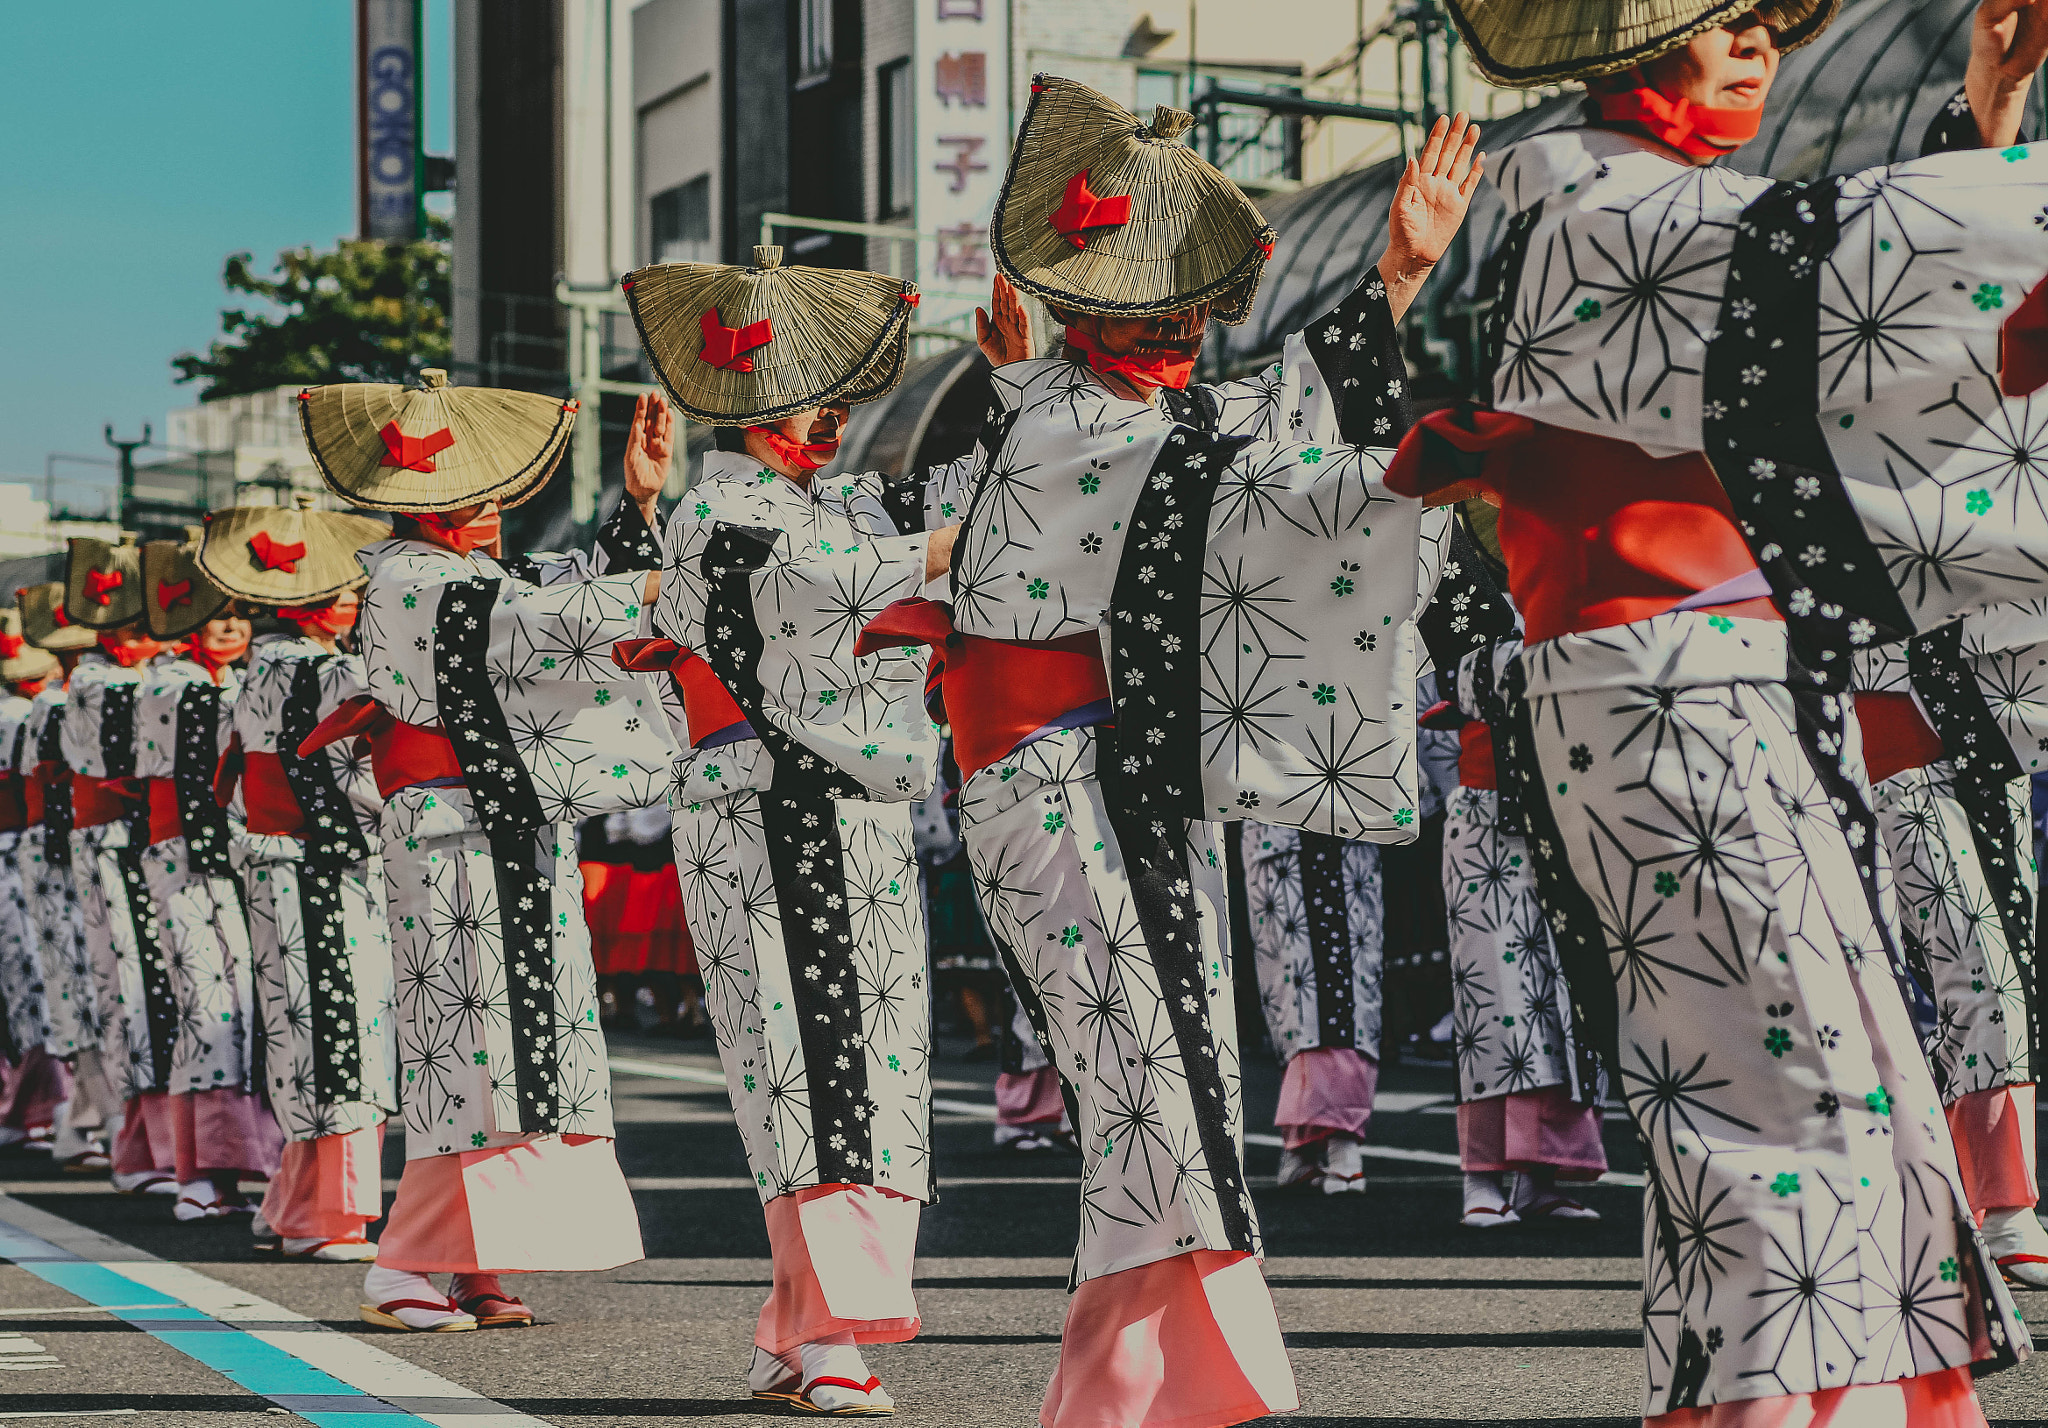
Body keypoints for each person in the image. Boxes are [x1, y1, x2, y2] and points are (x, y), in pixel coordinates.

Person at [1392, 0, 2048, 1418]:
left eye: (1767, 22)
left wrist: (1978, 118)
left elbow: (1827, 295)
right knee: (1789, 1115)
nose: (1757, 45)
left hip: (1721, 687)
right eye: (1724, 22)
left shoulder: (1663, 202)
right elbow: (1829, 283)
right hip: (1659, 691)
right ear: (1635, 46)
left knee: (1849, 1102)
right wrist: (1993, 182)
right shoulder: (1578, 192)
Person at [875, 75, 1483, 1428]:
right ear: (1100, 319)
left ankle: (1146, 1386)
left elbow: (1238, 453)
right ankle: (1146, 1392)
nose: (1192, 335)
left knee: (1167, 1077)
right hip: (1061, 775)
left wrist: (1389, 284)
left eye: (1195, 312)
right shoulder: (1093, 426)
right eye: (1169, 315)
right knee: (1158, 1082)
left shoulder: (1075, 413)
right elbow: (1274, 479)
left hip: (1101, 775)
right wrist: (1392, 308)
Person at [616, 247, 1018, 1414]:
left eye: (837, 405)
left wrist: (1013, 395)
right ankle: (827, 1333)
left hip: (856, 811)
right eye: (798, 405)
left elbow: (954, 506)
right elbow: (849, 573)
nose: (823, 427)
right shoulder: (723, 513)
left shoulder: (823, 504)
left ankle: (794, 1331)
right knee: (804, 1066)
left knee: (879, 1069)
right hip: (763, 813)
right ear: (740, 405)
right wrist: (944, 547)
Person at [296, 368, 667, 1332]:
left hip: (506, 824)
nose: (491, 504)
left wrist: (638, 511)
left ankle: (469, 1260)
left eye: (494, 485)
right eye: (468, 491)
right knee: (469, 1045)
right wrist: (665, 585)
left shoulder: (470, 576)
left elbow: (559, 605)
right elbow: (548, 625)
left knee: (518, 1042)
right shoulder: (410, 580)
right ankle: (406, 1263)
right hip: (454, 828)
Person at [201, 495, 397, 1261]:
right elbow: (360, 778)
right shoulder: (332, 671)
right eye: (341, 591)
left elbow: (229, 776)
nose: (351, 601)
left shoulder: (257, 671)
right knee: (343, 1027)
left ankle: (292, 1202)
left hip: (271, 862)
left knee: (298, 1031)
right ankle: (329, 1214)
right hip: (327, 863)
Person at [1854, 611, 2048, 1287]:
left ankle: (1957, 1198)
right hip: (1893, 718)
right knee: (1982, 972)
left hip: (2000, 725)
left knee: (2002, 971)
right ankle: (2001, 1205)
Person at [1438, 630, 1606, 1227]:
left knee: (1567, 999)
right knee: (1491, 1000)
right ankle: (1480, 1178)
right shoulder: (1470, 625)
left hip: (1569, 817)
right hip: (1486, 821)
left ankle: (1539, 1177)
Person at [135, 533, 280, 1223]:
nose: (229, 625)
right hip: (186, 860)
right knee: (208, 1006)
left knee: (250, 1007)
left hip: (239, 855)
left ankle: (243, 1164)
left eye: (239, 612)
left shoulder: (228, 681)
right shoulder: (170, 682)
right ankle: (201, 1170)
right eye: (213, 611)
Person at [60, 535, 185, 1198]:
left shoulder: (140, 678)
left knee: (159, 993)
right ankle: (136, 1144)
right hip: (114, 840)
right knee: (132, 993)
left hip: (142, 841)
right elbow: (120, 765)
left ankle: (145, 1145)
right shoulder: (96, 680)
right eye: (132, 626)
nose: (143, 638)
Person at [12, 583, 110, 1174]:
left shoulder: (64, 696)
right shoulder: (54, 702)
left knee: (90, 988)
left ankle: (83, 1116)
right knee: (77, 988)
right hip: (60, 849)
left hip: (74, 845)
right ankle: (85, 1116)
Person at [1242, 820, 1381, 1195]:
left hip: (1336, 832)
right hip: (1288, 831)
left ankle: (1322, 1145)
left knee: (1343, 995)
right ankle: (1325, 1146)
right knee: (1299, 1001)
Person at [0, 608, 68, 1153]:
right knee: (41, 978)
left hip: (25, 845)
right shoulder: (29, 711)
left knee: (28, 982)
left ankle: (34, 1104)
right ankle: (41, 1104)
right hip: (32, 847)